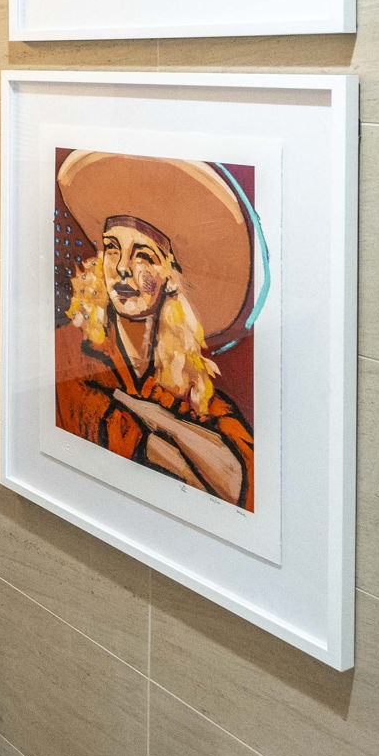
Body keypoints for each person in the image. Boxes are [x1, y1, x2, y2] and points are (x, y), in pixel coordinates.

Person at [53, 150, 258, 509]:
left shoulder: (194, 383)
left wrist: (159, 417)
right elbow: (141, 448)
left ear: (172, 279)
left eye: (143, 255)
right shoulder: (68, 351)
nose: (122, 268)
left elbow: (237, 479)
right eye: (112, 249)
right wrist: (178, 440)